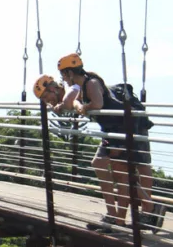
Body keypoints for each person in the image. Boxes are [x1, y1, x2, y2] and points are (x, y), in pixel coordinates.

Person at [45, 53, 166, 234]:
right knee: (103, 164)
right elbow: (72, 103)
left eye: (63, 74)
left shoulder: (91, 83)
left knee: (120, 172)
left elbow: (98, 104)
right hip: (112, 130)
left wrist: (82, 107)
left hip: (123, 127)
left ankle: (134, 212)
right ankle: (120, 215)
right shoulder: (80, 86)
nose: (62, 79)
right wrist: (66, 106)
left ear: (70, 73)